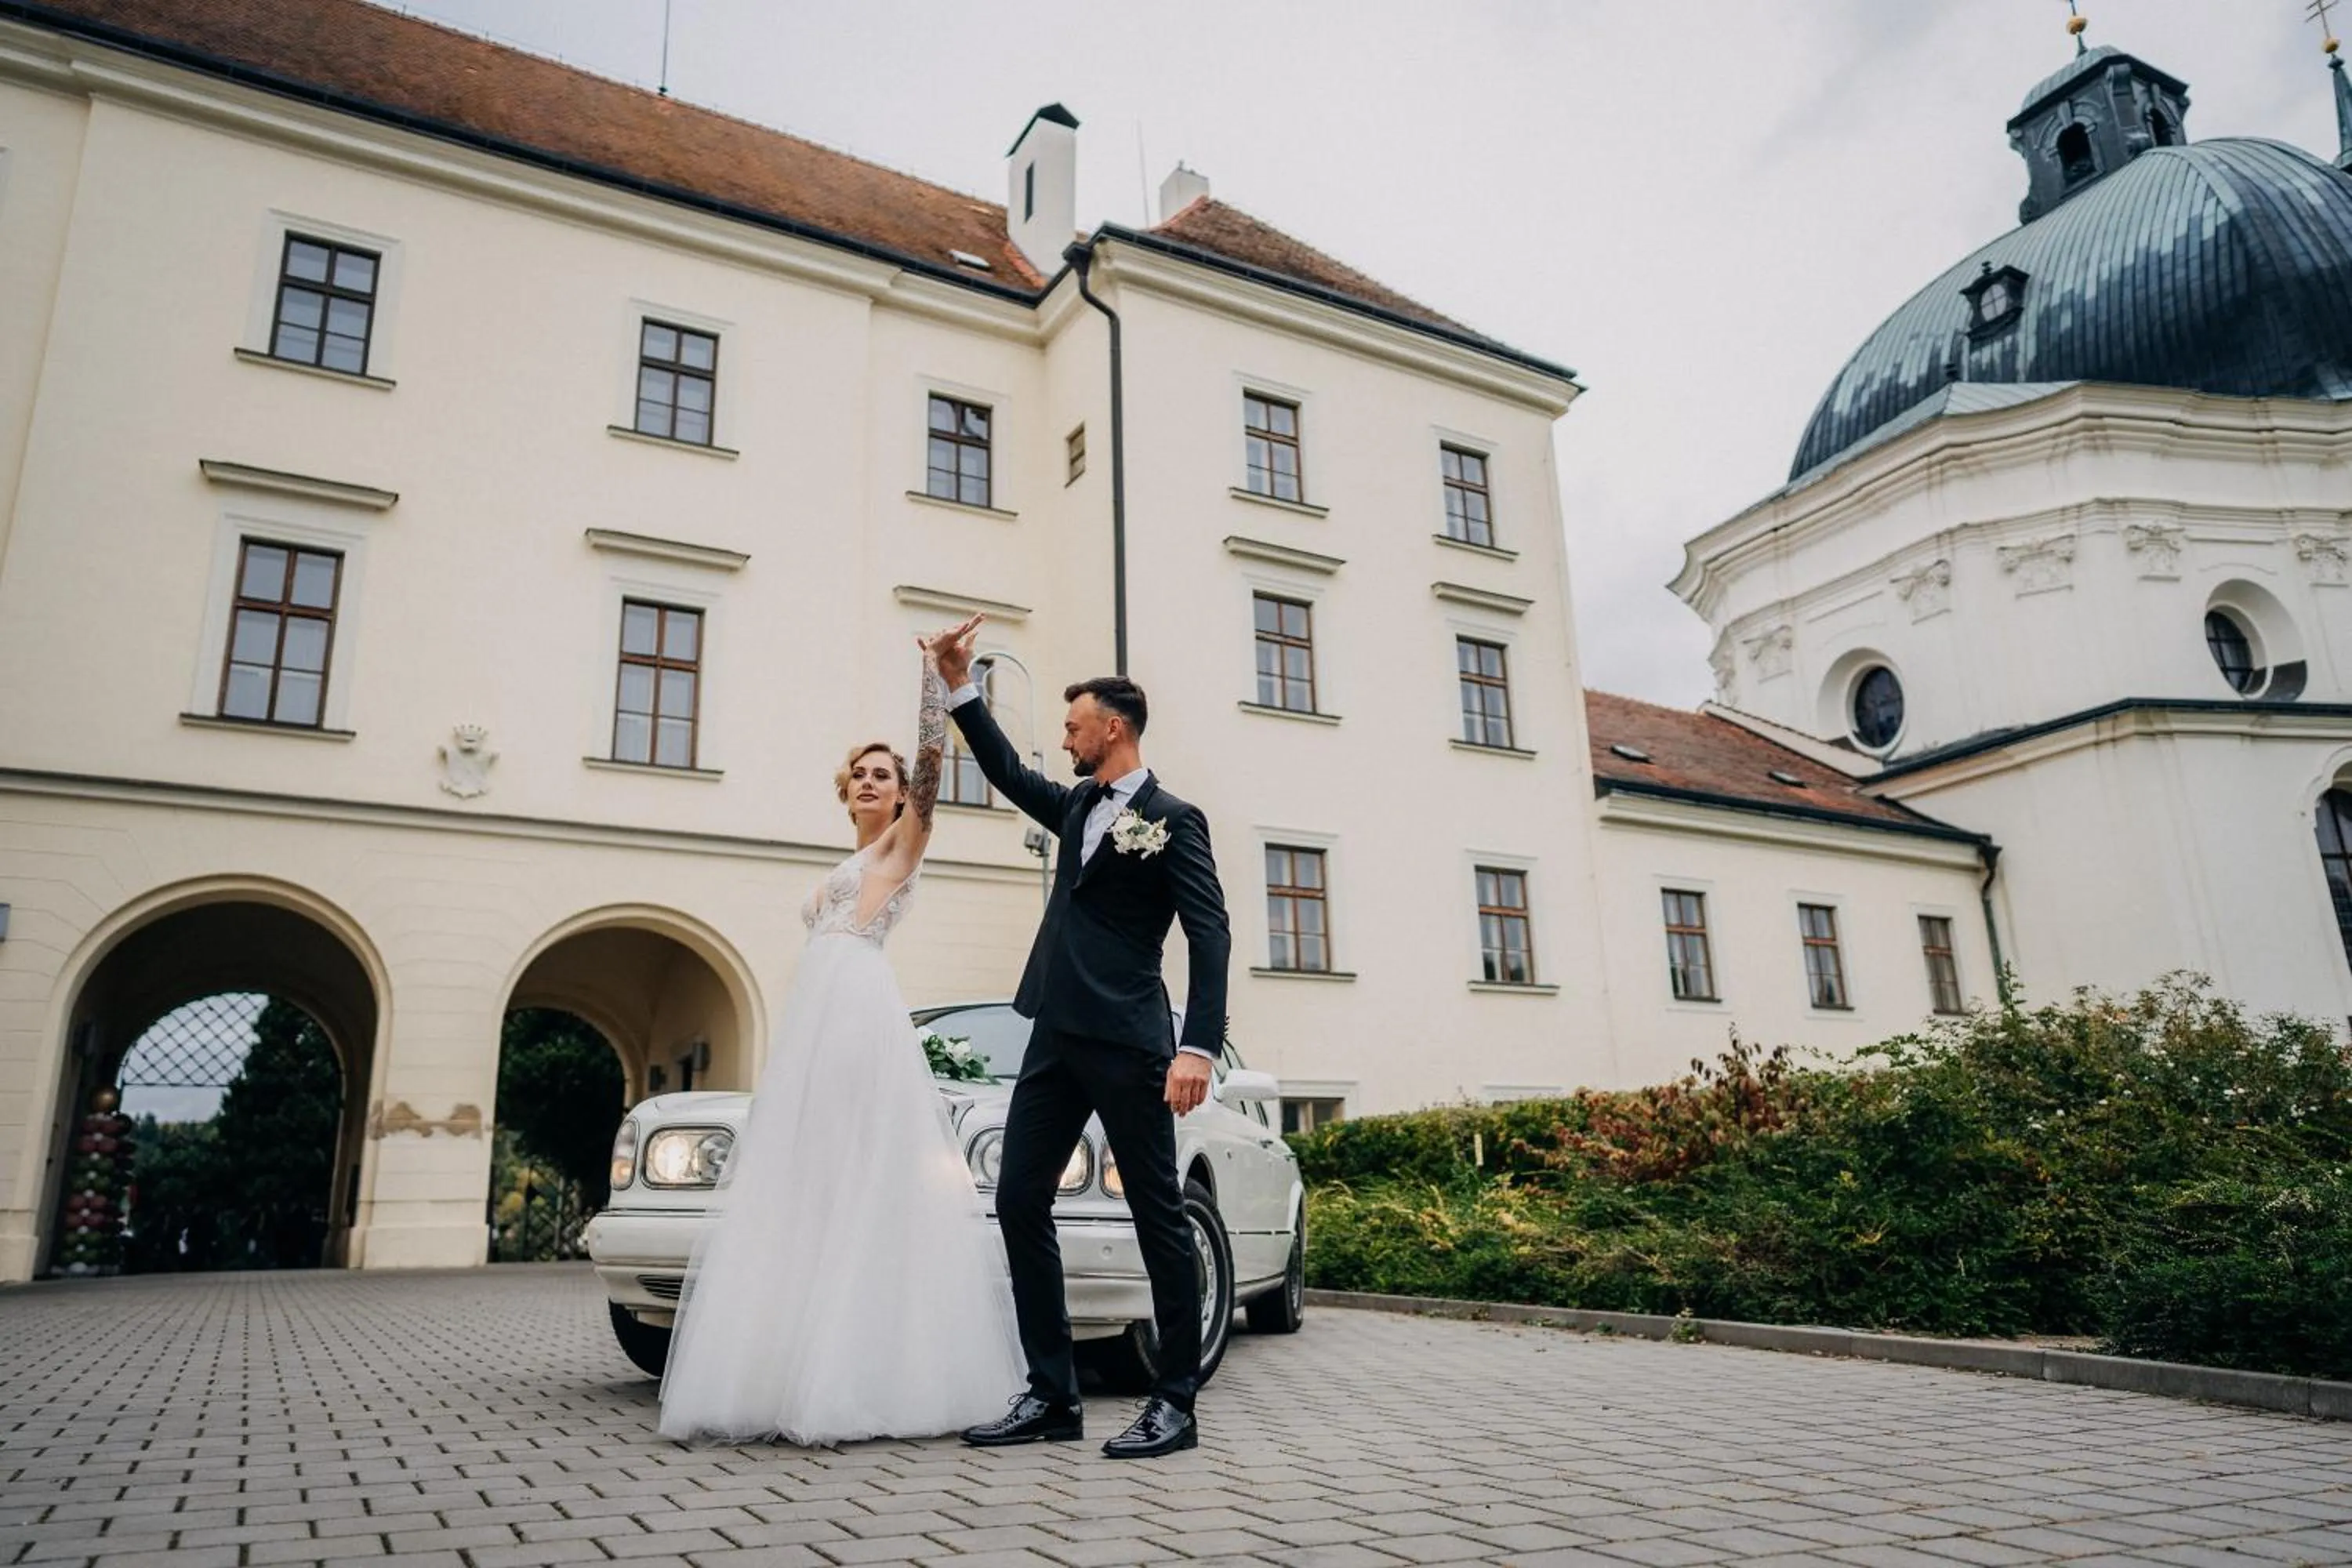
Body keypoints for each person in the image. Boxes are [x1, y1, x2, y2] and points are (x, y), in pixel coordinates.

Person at [657, 619, 1025, 1445]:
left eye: (882, 773)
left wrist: (936, 680)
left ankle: (858, 1374)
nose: (869, 781)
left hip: (859, 1011)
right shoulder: (843, 866)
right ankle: (785, 1360)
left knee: (861, 1173)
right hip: (814, 1023)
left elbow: (933, 773)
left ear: (900, 793)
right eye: (859, 773)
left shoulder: (904, 846)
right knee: (805, 1178)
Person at [924, 616, 1232, 1461]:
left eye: (1073, 724)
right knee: (1020, 1196)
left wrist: (1196, 1045)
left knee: (1156, 1211)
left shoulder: (1174, 819)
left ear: (1115, 729)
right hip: (1054, 1036)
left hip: (1132, 1041)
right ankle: (1053, 1393)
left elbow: (1211, 934)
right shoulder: (1078, 804)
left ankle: (1175, 1401)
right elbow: (1001, 766)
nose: (1063, 737)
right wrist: (960, 686)